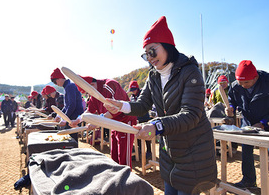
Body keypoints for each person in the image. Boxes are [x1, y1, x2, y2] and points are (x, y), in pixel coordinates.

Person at [104, 16, 217, 194]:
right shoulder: (153, 76)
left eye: (152, 51)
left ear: (167, 46)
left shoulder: (190, 71)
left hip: (194, 150)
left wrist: (157, 125)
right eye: (145, 54)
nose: (149, 58)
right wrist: (121, 105)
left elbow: (191, 114)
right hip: (169, 149)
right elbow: (142, 104)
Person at [71, 76, 137, 169]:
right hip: (113, 123)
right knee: (114, 154)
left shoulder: (110, 84)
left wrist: (97, 122)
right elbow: (89, 111)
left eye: (87, 92)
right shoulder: (94, 94)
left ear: (92, 85)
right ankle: (116, 176)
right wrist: (77, 120)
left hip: (125, 122)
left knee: (123, 156)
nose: (88, 95)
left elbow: (115, 110)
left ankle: (126, 179)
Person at [225, 60, 269, 189]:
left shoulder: (267, 82)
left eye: (246, 82)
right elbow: (231, 99)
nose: (243, 85)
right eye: (240, 82)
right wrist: (231, 107)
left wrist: (263, 123)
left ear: (255, 78)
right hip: (248, 120)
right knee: (246, 149)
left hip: (266, 118)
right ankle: (249, 180)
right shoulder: (235, 85)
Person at [50, 68, 84, 144]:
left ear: (60, 78)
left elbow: (72, 105)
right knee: (70, 137)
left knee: (72, 138)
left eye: (55, 81)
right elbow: (66, 106)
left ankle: (74, 152)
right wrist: (59, 115)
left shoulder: (70, 86)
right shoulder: (67, 87)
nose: (55, 84)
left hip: (74, 115)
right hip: (71, 115)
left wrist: (64, 119)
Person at [128, 80, 152, 160]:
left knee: (147, 136)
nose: (133, 92)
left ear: (137, 89)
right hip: (137, 119)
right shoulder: (131, 97)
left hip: (145, 118)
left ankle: (149, 151)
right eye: (131, 91)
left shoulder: (142, 94)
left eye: (134, 90)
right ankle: (140, 151)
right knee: (138, 137)